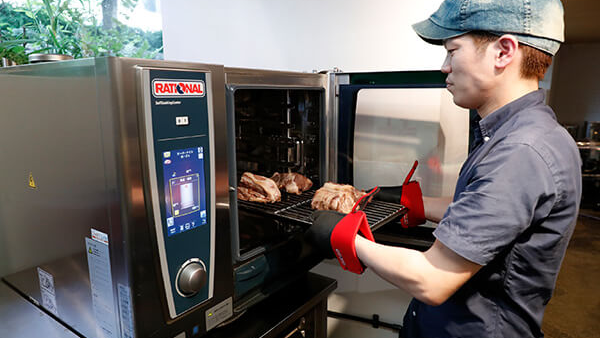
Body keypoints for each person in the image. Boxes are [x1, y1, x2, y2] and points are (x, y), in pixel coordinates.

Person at [308, 0, 582, 337]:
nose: (444, 67)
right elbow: (487, 216)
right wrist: (411, 203)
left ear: (503, 51)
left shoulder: (520, 151)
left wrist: (342, 235)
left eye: (452, 51)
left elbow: (431, 279)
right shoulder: (522, 133)